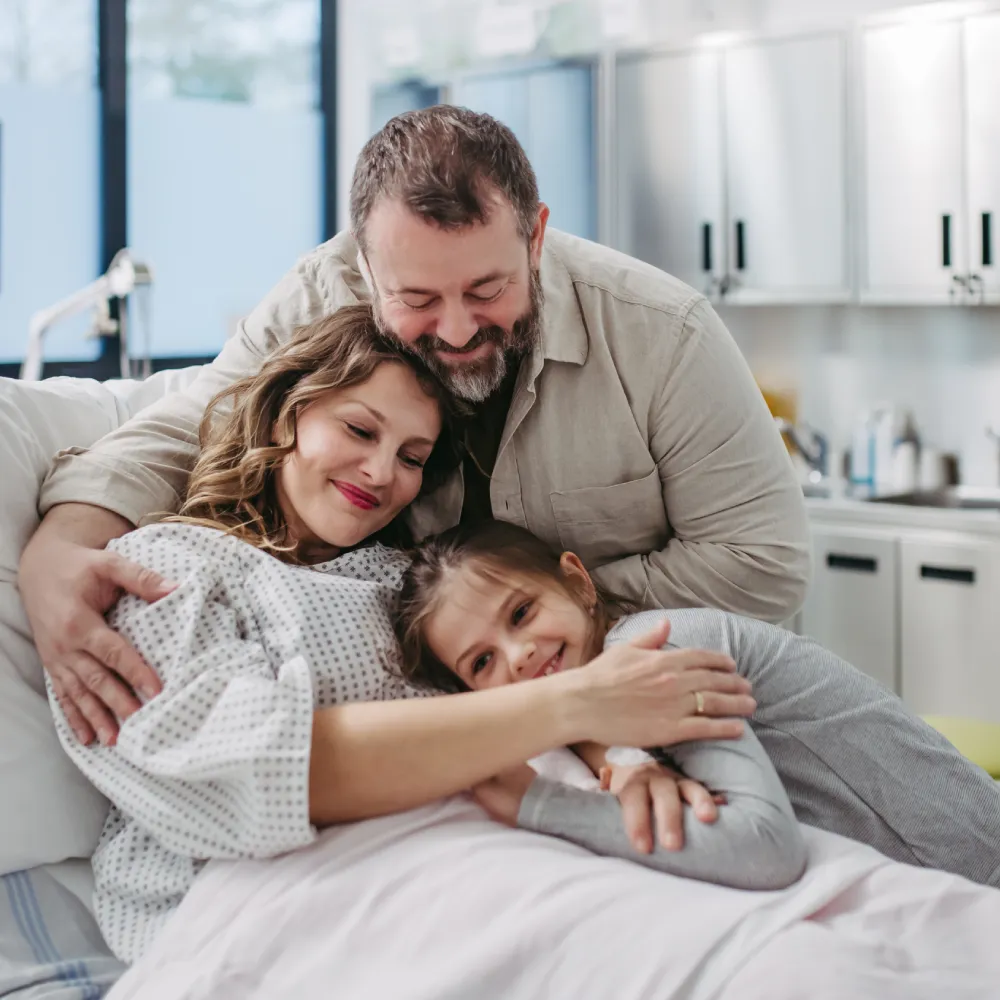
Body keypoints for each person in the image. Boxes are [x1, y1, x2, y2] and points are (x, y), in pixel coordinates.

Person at [20, 104, 809, 753]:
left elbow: (764, 563)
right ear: (364, 268)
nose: (460, 329)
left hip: (654, 711)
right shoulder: (318, 296)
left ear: (535, 238)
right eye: (419, 300)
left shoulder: (661, 333)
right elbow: (194, 427)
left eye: (488, 288)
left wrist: (534, 619)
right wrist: (58, 552)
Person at [47, 305, 757, 962]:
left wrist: (622, 757)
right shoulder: (165, 570)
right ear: (286, 416)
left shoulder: (406, 581)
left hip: (477, 854)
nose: (382, 472)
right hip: (272, 901)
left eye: (413, 457)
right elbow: (267, 771)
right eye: (359, 430)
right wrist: (584, 706)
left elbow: (529, 675)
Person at [394, 520, 1000, 889]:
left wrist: (535, 804)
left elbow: (766, 848)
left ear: (578, 582)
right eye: (481, 663)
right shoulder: (589, 708)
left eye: (521, 613)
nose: (519, 656)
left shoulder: (658, 648)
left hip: (973, 866)